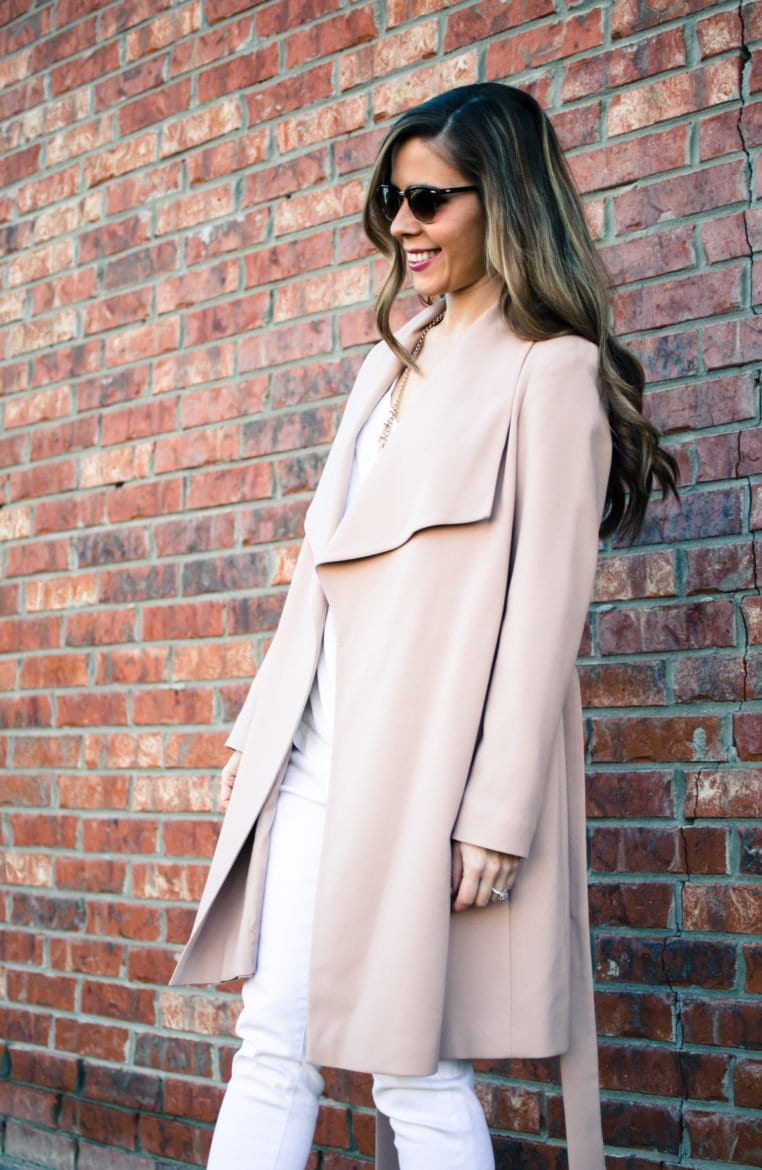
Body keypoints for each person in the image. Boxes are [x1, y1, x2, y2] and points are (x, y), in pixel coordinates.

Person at [170, 82, 678, 1170]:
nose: (400, 222)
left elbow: (545, 616)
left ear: (505, 204)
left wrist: (495, 812)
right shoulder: (386, 362)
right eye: (392, 198)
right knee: (273, 1040)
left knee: (411, 1065)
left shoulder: (554, 373)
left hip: (425, 779)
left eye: (429, 199)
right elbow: (320, 565)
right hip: (311, 759)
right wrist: (259, 734)